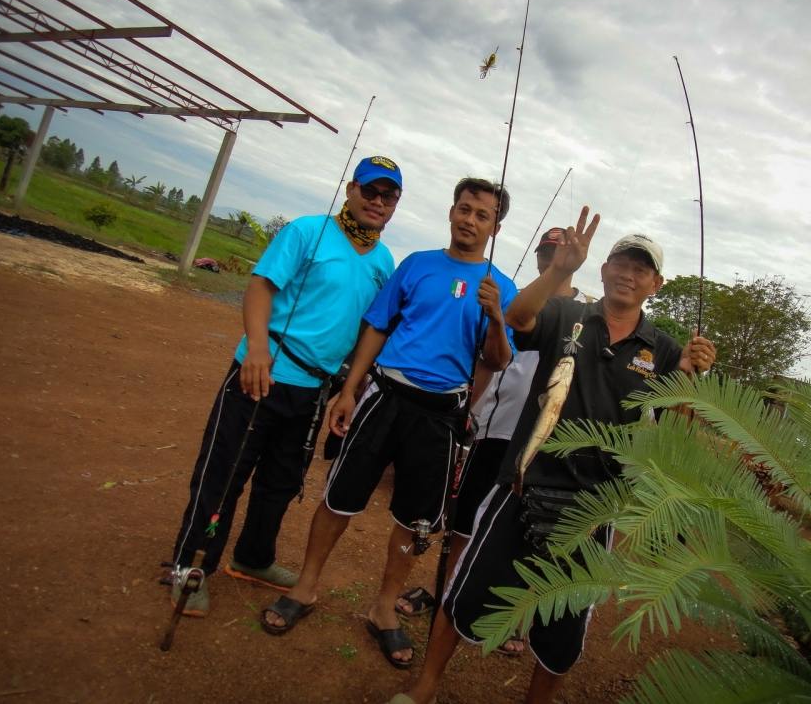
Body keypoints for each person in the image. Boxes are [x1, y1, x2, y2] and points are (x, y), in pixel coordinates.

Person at [391, 210, 717, 704]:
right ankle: (425, 687)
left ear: (656, 283)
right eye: (621, 263)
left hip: (595, 508)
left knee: (562, 627)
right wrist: (559, 270)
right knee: (466, 592)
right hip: (524, 482)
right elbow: (518, 319)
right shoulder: (568, 315)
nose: (629, 274)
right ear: (603, 269)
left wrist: (694, 378)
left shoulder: (666, 351)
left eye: (641, 268)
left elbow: (677, 429)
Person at [259, 178, 517, 671]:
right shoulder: (416, 264)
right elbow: (379, 325)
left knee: (414, 520)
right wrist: (351, 388)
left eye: (482, 215)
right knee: (340, 497)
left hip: (441, 414)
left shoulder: (500, 288)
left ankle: (384, 607)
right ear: (450, 211)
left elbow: (497, 360)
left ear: (495, 227)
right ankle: (306, 585)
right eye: (464, 209)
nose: (470, 220)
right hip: (385, 396)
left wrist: (497, 318)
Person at [168, 156, 403, 617]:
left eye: (388, 195)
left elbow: (367, 330)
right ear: (351, 190)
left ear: (395, 204)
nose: (377, 201)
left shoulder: (382, 260)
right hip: (264, 374)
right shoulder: (307, 231)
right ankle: (190, 568)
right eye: (370, 191)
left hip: (314, 391)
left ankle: (253, 558)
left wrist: (348, 388)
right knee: (224, 475)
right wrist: (256, 348)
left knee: (280, 482)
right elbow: (260, 287)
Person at [393, 227, 589, 660]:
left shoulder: (583, 314)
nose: (551, 258)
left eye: (560, 252)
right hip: (487, 430)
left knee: (529, 535)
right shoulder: (515, 296)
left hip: (536, 445)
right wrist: (468, 413)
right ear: (539, 256)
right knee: (466, 526)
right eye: (546, 251)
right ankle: (450, 596)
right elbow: (490, 355)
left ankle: (515, 619)